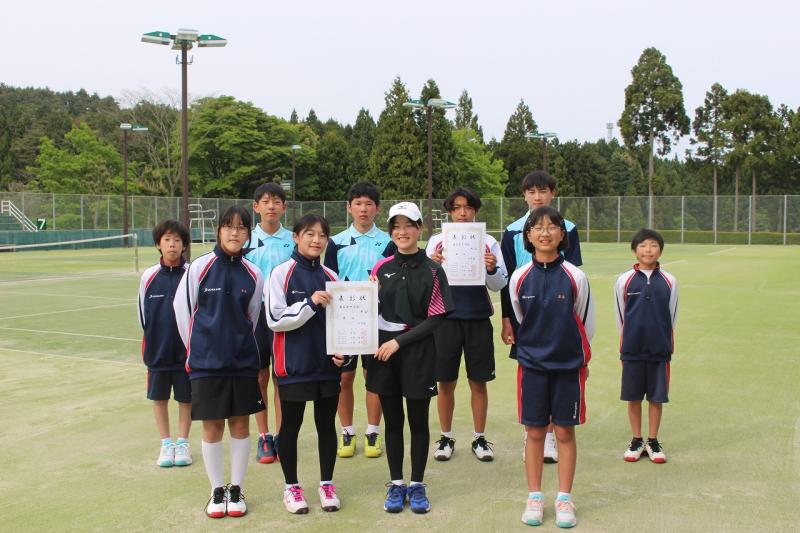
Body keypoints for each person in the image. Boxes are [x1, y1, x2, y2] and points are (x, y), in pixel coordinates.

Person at [174, 205, 265, 519]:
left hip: (242, 363)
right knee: (212, 426)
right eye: (229, 226)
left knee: (240, 425)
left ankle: (236, 489)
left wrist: (237, 346)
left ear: (248, 234)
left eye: (241, 227)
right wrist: (200, 350)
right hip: (206, 364)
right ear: (218, 231)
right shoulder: (198, 268)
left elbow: (252, 317)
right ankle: (216, 490)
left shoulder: (254, 273)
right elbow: (183, 312)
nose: (235, 232)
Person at [509, 206, 594, 529]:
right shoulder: (519, 277)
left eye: (552, 227)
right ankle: (534, 496)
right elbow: (522, 320)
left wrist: (580, 360)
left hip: (568, 367)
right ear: (528, 236)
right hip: (532, 367)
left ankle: (564, 498)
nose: (545, 233)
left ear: (562, 234)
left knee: (564, 432)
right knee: (534, 432)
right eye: (538, 227)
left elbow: (584, 321)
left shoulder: (576, 276)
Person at [367, 202, 454, 514]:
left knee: (418, 421)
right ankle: (396, 483)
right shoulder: (380, 268)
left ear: (420, 228)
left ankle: (416, 484)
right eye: (396, 226)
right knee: (392, 422)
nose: (402, 232)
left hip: (417, 352)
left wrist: (398, 342)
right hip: (383, 353)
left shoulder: (433, 270)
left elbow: (436, 318)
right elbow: (368, 311)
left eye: (408, 225)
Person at [500, 170, 583, 464]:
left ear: (552, 193)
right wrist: (507, 319)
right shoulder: (512, 231)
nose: (537, 197)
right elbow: (507, 279)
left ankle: (548, 437)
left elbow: (575, 275)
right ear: (524, 195)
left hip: (559, 314)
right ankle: (533, 430)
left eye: (543, 191)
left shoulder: (568, 228)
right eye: (531, 191)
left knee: (557, 371)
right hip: (527, 312)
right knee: (529, 370)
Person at [267, 214, 347, 514]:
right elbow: (275, 319)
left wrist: (343, 353)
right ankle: (291, 487)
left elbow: (343, 323)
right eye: (310, 234)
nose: (316, 240)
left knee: (327, 426)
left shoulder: (332, 276)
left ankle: (327, 484)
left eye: (322, 235)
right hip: (294, 366)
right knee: (290, 427)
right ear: (296, 237)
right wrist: (310, 303)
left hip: (326, 367)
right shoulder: (280, 273)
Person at [425, 187, 507, 462]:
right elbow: (425, 286)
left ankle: (479, 438)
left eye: (468, 207)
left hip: (478, 319)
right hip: (445, 321)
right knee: (445, 382)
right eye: (457, 207)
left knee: (478, 382)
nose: (462, 212)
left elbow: (499, 284)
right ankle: (446, 437)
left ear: (475, 211)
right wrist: (432, 266)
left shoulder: (488, 241)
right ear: (449, 211)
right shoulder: (437, 241)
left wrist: (492, 268)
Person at [324, 182, 395, 459]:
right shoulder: (336, 242)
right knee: (344, 377)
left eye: (368, 204)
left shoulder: (387, 242)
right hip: (344, 321)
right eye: (358, 204)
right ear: (349, 208)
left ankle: (373, 431)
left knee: (373, 377)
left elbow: (392, 279)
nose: (363, 209)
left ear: (377, 208)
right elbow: (330, 279)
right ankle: (347, 431)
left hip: (377, 320)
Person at [614, 229, 678, 464]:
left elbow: (672, 315)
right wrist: (628, 340)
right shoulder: (624, 280)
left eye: (653, 245)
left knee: (656, 397)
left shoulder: (670, 281)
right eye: (642, 245)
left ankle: (652, 440)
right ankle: (636, 439)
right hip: (632, 349)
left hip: (659, 350)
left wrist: (663, 340)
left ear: (660, 250)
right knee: (633, 397)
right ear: (634, 250)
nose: (648, 250)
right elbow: (621, 315)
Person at [245, 182, 294, 465]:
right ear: (256, 207)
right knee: (260, 376)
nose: (271, 206)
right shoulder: (247, 240)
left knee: (282, 377)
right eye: (265, 201)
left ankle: (282, 434)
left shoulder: (294, 239)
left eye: (276, 201)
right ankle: (264, 436)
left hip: (285, 316)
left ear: (284, 207)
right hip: (255, 317)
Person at [137, 219, 192, 468]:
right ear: (158, 244)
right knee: (159, 398)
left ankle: (183, 442)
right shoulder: (149, 276)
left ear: (184, 245)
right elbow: (142, 314)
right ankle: (166, 443)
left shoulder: (191, 274)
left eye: (177, 240)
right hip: (157, 351)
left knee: (186, 399)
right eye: (167, 240)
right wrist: (152, 340)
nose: (172, 245)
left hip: (186, 352)